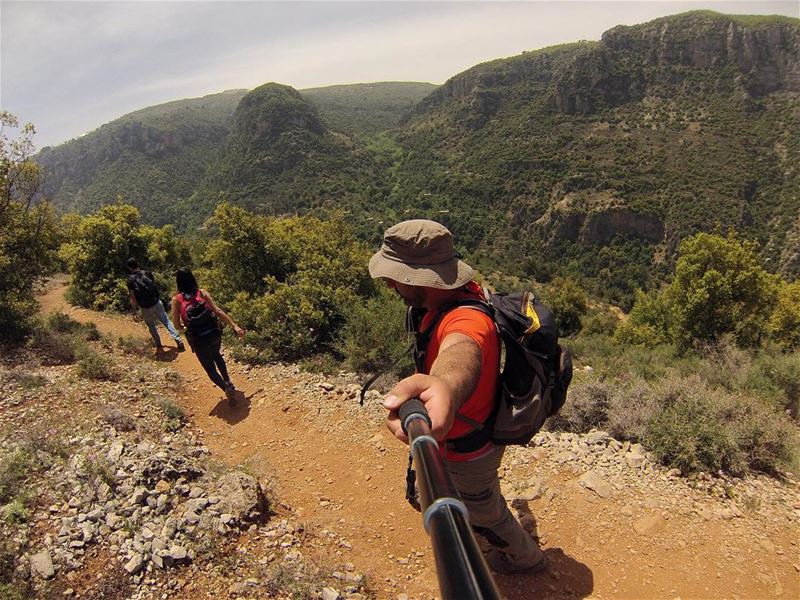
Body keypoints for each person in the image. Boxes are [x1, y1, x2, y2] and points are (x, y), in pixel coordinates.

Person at [368, 219, 547, 574]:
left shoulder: (466, 319)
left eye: (396, 277)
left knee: (487, 513)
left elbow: (462, 352)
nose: (389, 283)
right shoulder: (454, 297)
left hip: (469, 451)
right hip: (458, 437)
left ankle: (528, 559)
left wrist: (444, 386)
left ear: (422, 278)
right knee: (474, 506)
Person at [171, 268, 245, 405]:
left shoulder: (177, 300)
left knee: (210, 369)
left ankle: (226, 388)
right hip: (214, 334)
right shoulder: (202, 293)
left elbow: (176, 325)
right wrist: (235, 326)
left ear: (178, 282)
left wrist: (188, 329)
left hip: (198, 339)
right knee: (217, 355)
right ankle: (228, 380)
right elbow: (217, 311)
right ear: (192, 278)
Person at [126, 258, 185, 352]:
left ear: (129, 268)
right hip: (156, 302)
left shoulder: (130, 280)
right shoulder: (147, 273)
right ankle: (178, 340)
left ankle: (158, 345)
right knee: (166, 321)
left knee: (151, 326)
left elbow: (133, 298)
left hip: (145, 307)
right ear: (137, 264)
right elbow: (154, 286)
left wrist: (134, 311)